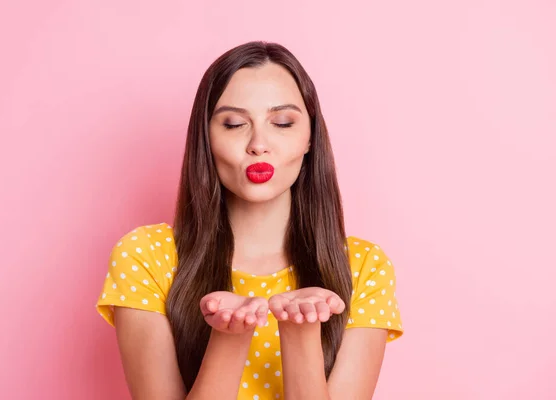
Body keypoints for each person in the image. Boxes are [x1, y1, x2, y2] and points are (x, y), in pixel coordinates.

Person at [95, 40, 404, 400]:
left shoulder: (363, 269)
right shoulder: (145, 257)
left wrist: (301, 332)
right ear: (205, 138)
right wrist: (229, 336)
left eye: (283, 122)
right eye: (235, 123)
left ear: (309, 138)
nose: (258, 143)